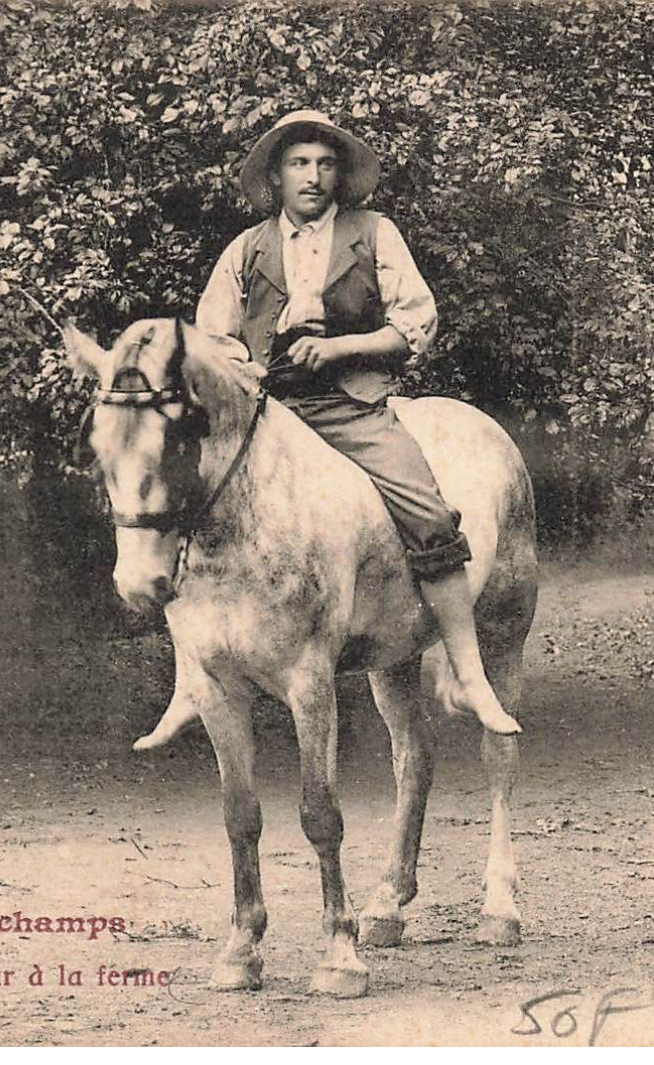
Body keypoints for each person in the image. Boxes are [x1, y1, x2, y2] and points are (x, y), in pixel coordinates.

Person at [196, 109, 520, 736]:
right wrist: (249, 371)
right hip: (270, 413)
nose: (311, 176)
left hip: (351, 404)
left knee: (425, 507)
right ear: (276, 176)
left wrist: (342, 349)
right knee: (192, 502)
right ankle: (195, 673)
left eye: (323, 164)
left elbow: (416, 322)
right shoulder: (245, 250)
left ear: (339, 175)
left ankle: (468, 671)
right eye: (298, 164)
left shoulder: (373, 234)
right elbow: (214, 338)